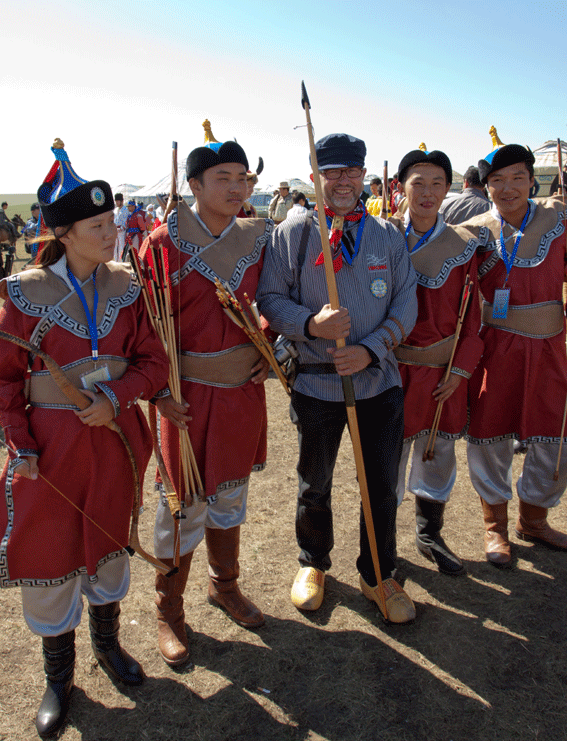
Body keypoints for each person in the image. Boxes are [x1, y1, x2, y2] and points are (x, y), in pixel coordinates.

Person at [0, 139, 169, 738]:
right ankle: (58, 678)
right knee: (51, 553)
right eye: (98, 226)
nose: (112, 233)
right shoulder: (22, 293)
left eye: (112, 222)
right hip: (50, 450)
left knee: (109, 541)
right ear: (65, 234)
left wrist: (117, 399)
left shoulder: (127, 286)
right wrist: (21, 445)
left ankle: (108, 646)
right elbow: (5, 381)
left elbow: (154, 363)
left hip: (116, 441)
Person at [257, 133, 418, 623]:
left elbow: (406, 304)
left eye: (351, 171)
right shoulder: (293, 232)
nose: (343, 181)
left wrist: (370, 349)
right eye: (332, 172)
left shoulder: (388, 235)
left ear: (363, 175)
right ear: (315, 176)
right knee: (315, 482)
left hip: (378, 382)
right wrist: (311, 325)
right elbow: (269, 297)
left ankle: (378, 573)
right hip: (315, 384)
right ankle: (313, 563)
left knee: (381, 486)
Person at [140, 139, 273, 668]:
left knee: (230, 495)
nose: (237, 188)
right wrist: (157, 390)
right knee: (182, 506)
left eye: (243, 178)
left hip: (241, 391)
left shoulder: (257, 237)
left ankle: (225, 585)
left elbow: (272, 302)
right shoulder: (160, 243)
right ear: (194, 185)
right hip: (186, 396)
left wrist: (269, 347)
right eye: (223, 178)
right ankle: (168, 610)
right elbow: (143, 326)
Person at [462, 144, 567, 566]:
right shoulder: (473, 231)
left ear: (532, 181)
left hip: (550, 348)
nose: (508, 188)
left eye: (517, 178)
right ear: (486, 186)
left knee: (555, 436)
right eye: (497, 181)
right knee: (490, 436)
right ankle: (496, 528)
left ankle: (534, 520)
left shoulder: (558, 221)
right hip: (495, 348)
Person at [390, 149, 483, 576]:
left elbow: (473, 318)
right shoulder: (382, 237)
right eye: (418, 183)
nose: (427, 193)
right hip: (390, 369)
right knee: (387, 456)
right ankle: (383, 541)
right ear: (401, 188)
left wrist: (460, 370)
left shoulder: (464, 245)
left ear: (448, 189)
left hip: (443, 373)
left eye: (436, 184)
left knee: (438, 452)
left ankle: (429, 534)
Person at [113, 192, 129, 261]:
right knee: (115, 247)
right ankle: (115, 261)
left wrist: (121, 228)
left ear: (122, 201)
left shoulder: (125, 209)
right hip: (115, 230)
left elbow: (126, 221)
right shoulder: (115, 210)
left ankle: (121, 262)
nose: (116, 203)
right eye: (116, 201)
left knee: (121, 247)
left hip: (122, 231)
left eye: (118, 201)